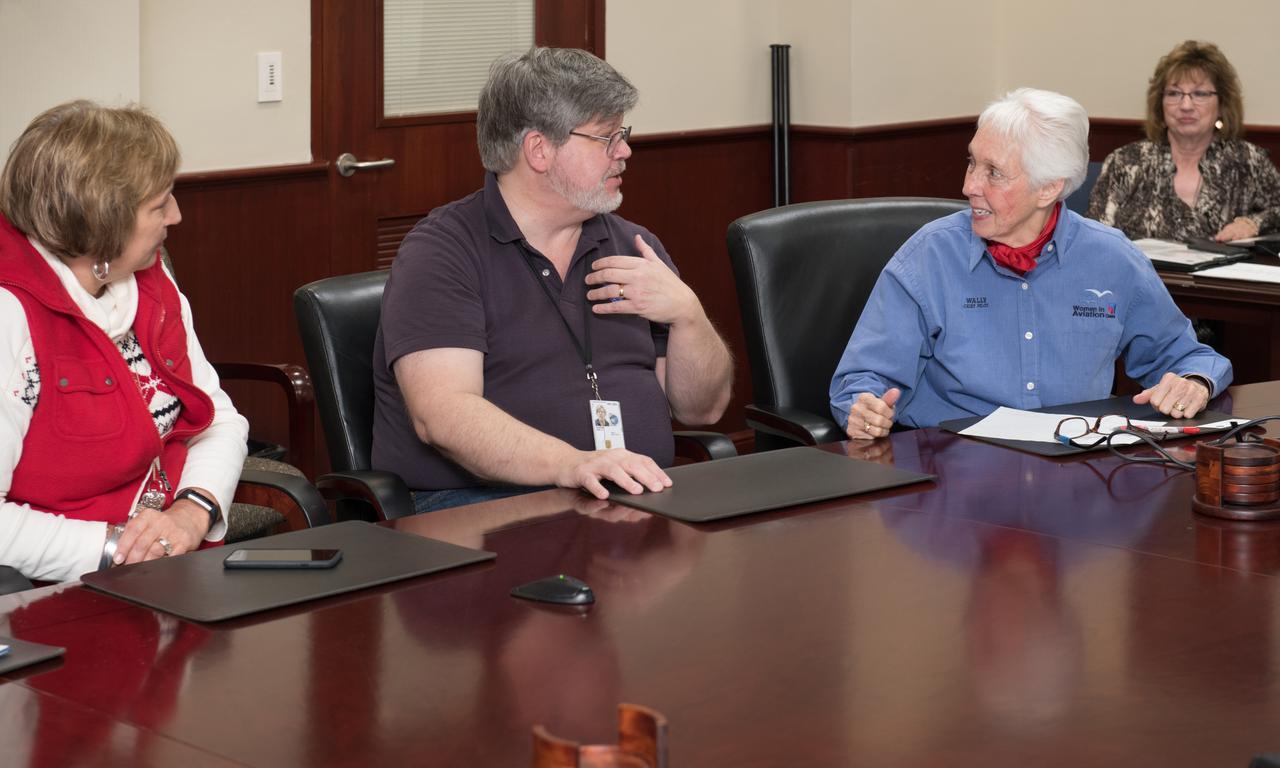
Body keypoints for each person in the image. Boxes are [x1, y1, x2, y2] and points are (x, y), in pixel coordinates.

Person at [372, 47, 733, 512]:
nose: (624, 151)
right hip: (478, 507)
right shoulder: (443, 252)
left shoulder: (634, 245)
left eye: (622, 134)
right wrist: (573, 464)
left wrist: (688, 315)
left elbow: (702, 410)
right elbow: (442, 415)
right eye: (606, 137)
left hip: (632, 499)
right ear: (539, 150)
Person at [830, 88, 1232, 439]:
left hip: (1073, 474)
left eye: (994, 173)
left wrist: (1194, 381)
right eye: (972, 163)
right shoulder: (929, 257)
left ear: (1049, 188)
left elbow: (1188, 358)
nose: (969, 186)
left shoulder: (1112, 259)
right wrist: (863, 409)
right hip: (952, 472)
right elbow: (863, 380)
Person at [0, 101, 248, 582]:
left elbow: (219, 421)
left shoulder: (150, 283)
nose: (176, 216)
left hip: (166, 567)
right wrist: (121, 547)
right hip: (59, 587)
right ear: (100, 223)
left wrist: (191, 514)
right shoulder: (10, 314)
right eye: (159, 205)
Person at [1087, 40, 1280, 242]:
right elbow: (1094, 237)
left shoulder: (1247, 161)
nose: (1186, 105)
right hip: (1138, 273)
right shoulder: (1126, 162)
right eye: (1174, 93)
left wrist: (1253, 223)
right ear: (1160, 103)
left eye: (1200, 94)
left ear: (1222, 104)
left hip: (1217, 274)